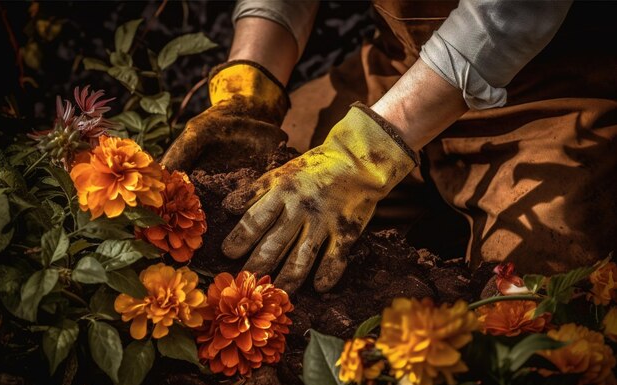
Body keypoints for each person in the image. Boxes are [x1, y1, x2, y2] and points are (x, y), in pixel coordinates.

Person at [161, 0, 617, 295]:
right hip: (401, 66)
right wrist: (250, 91)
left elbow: (505, 17)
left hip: (550, 87)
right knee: (263, 181)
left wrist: (363, 154)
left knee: (536, 297)